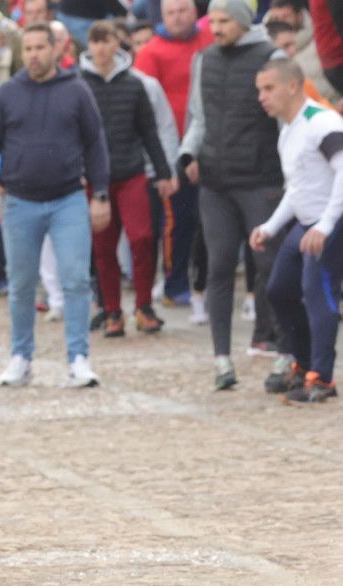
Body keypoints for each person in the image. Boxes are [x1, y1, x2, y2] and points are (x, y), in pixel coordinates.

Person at [0, 22, 110, 389]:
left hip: (68, 199)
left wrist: (101, 194)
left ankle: (78, 358)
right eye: (29, 48)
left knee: (76, 280)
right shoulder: (7, 93)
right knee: (20, 284)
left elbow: (95, 143)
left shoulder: (77, 90)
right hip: (19, 201)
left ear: (55, 49)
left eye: (40, 47)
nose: (34, 54)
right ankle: (21, 357)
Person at [178, 0, 284, 391]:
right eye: (213, 21)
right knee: (219, 266)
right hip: (216, 182)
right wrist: (188, 153)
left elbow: (285, 117)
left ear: (241, 20)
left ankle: (284, 348)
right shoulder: (204, 58)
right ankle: (222, 358)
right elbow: (199, 116)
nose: (215, 28)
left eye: (223, 21)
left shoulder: (270, 55)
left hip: (261, 179)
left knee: (269, 266)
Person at [250, 57, 343, 403]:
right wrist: (271, 227)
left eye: (269, 88)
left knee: (317, 293)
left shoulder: (321, 122)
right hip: (306, 222)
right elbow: (298, 188)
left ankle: (322, 378)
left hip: (331, 221)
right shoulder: (288, 129)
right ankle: (302, 364)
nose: (262, 96)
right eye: (259, 89)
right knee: (279, 289)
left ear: (293, 86)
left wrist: (326, 225)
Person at [79, 20, 176, 338]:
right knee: (103, 246)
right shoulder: (79, 84)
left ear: (116, 44)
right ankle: (112, 310)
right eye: (96, 42)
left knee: (142, 238)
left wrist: (163, 171)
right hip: (95, 178)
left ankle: (144, 306)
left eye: (107, 41)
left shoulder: (135, 84)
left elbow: (149, 131)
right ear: (89, 46)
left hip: (132, 171)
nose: (102, 48)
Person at [135, 0, 211, 314]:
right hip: (171, 147)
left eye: (183, 10)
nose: (178, 17)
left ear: (195, 12)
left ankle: (201, 284)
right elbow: (143, 107)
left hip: (208, 142)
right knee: (176, 221)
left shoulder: (208, 42)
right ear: (161, 16)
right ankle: (174, 282)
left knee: (205, 220)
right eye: (171, 12)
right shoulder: (151, 52)